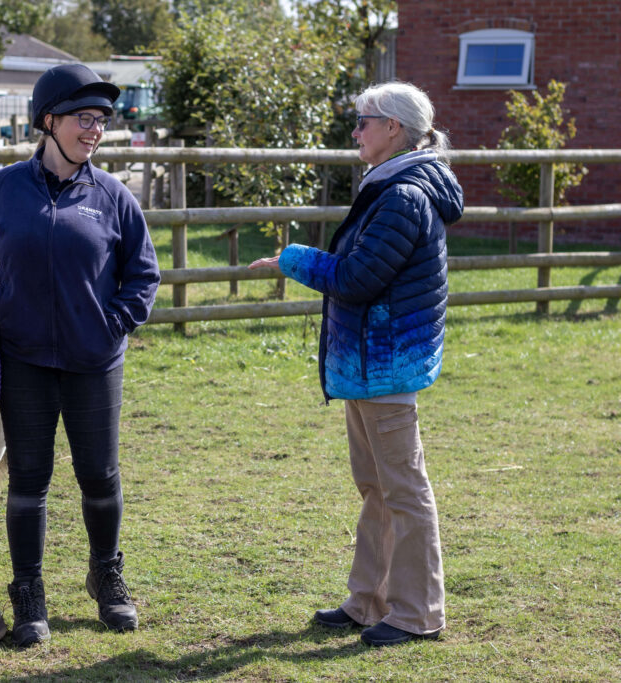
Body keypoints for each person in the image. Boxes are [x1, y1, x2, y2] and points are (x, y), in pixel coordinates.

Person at [250, 81, 463, 647]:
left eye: (363, 120)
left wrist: (293, 259)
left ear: (393, 128)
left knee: (403, 490)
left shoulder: (404, 195)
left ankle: (417, 613)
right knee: (377, 486)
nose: (355, 130)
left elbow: (356, 279)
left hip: (386, 363)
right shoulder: (391, 185)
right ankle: (368, 601)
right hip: (371, 364)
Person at [0, 63, 160, 647]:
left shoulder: (113, 196)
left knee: (98, 475)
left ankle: (106, 576)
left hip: (94, 362)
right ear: (47, 121)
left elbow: (142, 275)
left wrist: (113, 325)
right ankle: (29, 594)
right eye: (82, 118)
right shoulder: (3, 189)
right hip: (23, 360)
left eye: (100, 120)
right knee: (29, 480)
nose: (93, 130)